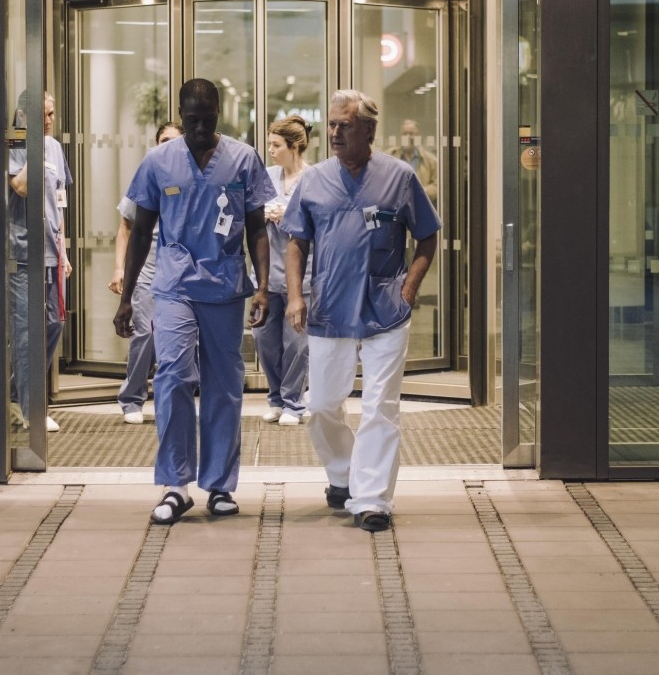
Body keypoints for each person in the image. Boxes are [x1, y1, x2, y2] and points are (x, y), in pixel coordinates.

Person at [115, 79, 275, 525]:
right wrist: (126, 297)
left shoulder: (243, 159)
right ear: (180, 115)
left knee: (225, 385)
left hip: (224, 287)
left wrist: (263, 287)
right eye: (192, 119)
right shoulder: (159, 162)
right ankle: (175, 485)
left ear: (220, 113)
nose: (201, 127)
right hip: (174, 287)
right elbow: (141, 231)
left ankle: (220, 486)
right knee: (172, 377)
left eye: (208, 118)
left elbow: (258, 227)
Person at [284, 90, 440, 533]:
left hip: (386, 309)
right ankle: (343, 474)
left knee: (380, 406)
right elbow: (296, 241)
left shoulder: (399, 177)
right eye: (331, 125)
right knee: (322, 405)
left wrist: (409, 287)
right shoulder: (314, 180)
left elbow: (427, 237)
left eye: (344, 126)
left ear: (369, 130)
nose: (334, 133)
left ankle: (372, 499)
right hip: (330, 308)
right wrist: (296, 297)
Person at [108, 122, 183, 424]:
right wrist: (119, 269)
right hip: (147, 269)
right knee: (146, 334)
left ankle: (171, 397)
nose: (167, 146)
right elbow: (126, 228)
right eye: (163, 140)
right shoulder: (148, 175)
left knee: (177, 338)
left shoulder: (191, 178)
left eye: (173, 141)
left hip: (179, 271)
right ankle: (131, 399)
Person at [10, 91, 70, 435]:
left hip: (52, 251)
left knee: (53, 324)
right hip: (23, 252)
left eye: (51, 113)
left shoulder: (56, 149)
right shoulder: (15, 146)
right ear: (24, 115)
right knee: (24, 333)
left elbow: (59, 200)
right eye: (42, 115)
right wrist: (34, 144)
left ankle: (18, 393)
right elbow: (20, 186)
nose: (49, 120)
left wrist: (65, 253)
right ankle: (32, 408)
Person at [257, 116, 312, 427]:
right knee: (265, 339)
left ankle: (294, 403)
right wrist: (261, 214)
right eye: (270, 144)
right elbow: (249, 212)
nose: (271, 150)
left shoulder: (314, 178)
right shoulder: (267, 177)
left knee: (296, 343)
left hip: (301, 276)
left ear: (294, 146)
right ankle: (276, 397)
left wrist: (286, 215)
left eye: (276, 145)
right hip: (268, 274)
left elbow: (320, 224)